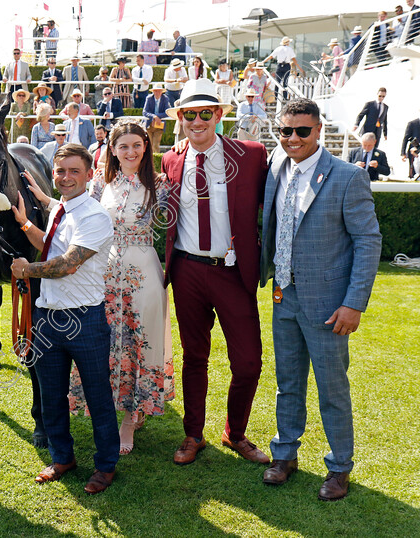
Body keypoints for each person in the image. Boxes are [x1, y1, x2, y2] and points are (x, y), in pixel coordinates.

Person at [259, 98, 381, 501]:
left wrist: (354, 303)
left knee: (332, 389)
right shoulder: (276, 168)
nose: (292, 138)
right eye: (285, 131)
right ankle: (285, 455)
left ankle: (339, 467)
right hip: (284, 296)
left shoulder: (348, 177)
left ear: (319, 131)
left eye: (302, 131)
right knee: (287, 383)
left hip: (330, 304)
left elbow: (368, 240)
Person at [160, 79, 270, 466]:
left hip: (232, 273)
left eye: (206, 112)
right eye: (190, 114)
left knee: (248, 362)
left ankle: (235, 432)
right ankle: (193, 434)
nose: (198, 121)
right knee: (195, 358)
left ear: (220, 115)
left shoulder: (253, 155)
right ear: (180, 118)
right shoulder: (171, 159)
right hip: (188, 269)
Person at [10, 144, 119, 495]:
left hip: (85, 320)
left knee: (97, 395)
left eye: (74, 171)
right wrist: (26, 222)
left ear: (89, 175)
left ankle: (105, 466)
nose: (66, 177)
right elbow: (50, 248)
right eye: (60, 171)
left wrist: (27, 270)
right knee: (51, 394)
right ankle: (62, 457)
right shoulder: (62, 209)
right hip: (47, 318)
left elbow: (68, 263)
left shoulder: (95, 216)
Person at [73, 119, 174, 455]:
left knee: (138, 342)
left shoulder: (160, 185)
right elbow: (79, 220)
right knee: (107, 342)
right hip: (104, 272)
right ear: (112, 151)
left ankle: (131, 417)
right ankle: (107, 406)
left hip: (143, 271)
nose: (130, 152)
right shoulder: (101, 186)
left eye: (136, 145)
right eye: (123, 146)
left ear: (145, 147)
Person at [264, 36, 303, 100]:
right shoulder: (289, 49)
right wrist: (299, 67)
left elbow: (271, 56)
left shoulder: (278, 48)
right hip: (287, 66)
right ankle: (285, 97)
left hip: (280, 65)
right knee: (285, 82)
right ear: (287, 43)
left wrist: (263, 61)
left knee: (277, 81)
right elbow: (294, 59)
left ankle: (276, 97)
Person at [142, 83, 170, 154]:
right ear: (153, 91)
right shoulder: (149, 98)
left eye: (159, 91)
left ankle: (156, 162)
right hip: (149, 125)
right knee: (149, 145)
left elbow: (167, 111)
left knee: (156, 145)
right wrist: (154, 116)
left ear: (162, 92)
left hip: (159, 125)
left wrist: (158, 116)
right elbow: (144, 112)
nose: (157, 93)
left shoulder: (165, 98)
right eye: (156, 91)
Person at [401, 113, 420, 177]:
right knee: (413, 171)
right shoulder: (412, 124)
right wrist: (403, 153)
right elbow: (406, 138)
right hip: (413, 151)